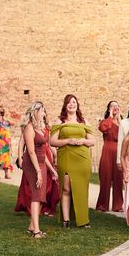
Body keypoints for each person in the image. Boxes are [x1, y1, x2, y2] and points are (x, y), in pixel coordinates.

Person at [50, 94, 95, 228]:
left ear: (77, 104)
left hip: (82, 158)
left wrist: (82, 141)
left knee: (82, 188)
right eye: (69, 102)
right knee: (66, 188)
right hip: (66, 156)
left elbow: (92, 141)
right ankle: (66, 219)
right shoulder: (60, 121)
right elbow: (52, 141)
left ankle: (83, 220)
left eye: (74, 102)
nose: (71, 104)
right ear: (65, 105)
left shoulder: (83, 121)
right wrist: (67, 141)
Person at [20, 102, 58, 238]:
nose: (44, 114)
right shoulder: (29, 128)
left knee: (42, 196)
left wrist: (51, 169)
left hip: (41, 163)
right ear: (35, 112)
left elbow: (43, 152)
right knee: (36, 196)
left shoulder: (40, 128)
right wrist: (37, 171)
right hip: (31, 165)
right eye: (42, 111)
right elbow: (31, 152)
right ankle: (36, 231)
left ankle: (31, 227)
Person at [14, 131, 59, 216]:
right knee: (32, 184)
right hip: (34, 155)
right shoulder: (29, 127)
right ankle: (31, 208)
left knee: (48, 183)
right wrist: (20, 157)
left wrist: (56, 156)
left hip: (45, 156)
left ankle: (44, 207)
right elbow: (22, 142)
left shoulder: (46, 127)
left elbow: (49, 144)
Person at [96, 101, 124, 212]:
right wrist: (111, 116)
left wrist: (119, 119)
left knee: (118, 178)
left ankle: (118, 205)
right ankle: (102, 205)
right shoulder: (105, 121)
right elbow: (103, 128)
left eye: (117, 105)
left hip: (119, 150)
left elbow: (126, 134)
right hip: (107, 149)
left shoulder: (122, 122)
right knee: (105, 177)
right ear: (108, 108)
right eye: (112, 106)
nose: (115, 107)